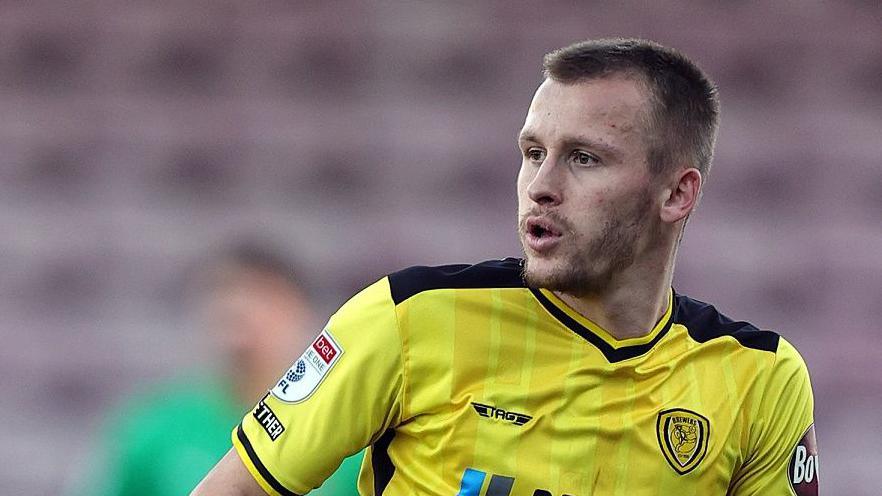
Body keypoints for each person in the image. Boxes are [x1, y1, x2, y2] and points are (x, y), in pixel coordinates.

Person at [192, 39, 818, 496]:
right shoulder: (409, 319)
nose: (540, 186)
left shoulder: (760, 378)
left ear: (677, 194)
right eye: (532, 152)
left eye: (584, 159)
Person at [77, 242, 362, 496]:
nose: (242, 314)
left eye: (262, 298)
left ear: (300, 312)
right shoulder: (157, 428)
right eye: (227, 297)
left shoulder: (350, 434)